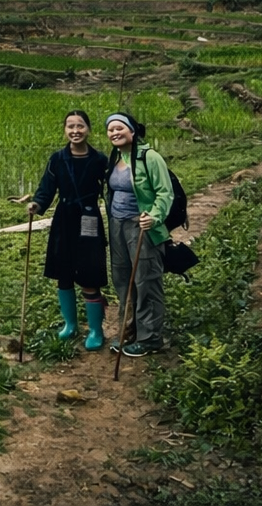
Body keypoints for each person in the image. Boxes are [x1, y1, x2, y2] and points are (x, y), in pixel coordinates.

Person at [27, 109, 111, 350]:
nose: (75, 131)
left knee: (89, 274)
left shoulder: (99, 160)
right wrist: (38, 203)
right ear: (65, 130)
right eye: (70, 126)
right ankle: (70, 324)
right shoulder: (57, 159)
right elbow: (47, 186)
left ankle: (95, 330)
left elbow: (111, 188)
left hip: (89, 218)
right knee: (64, 275)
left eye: (80, 126)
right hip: (63, 218)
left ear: (89, 129)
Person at [104, 112, 174, 357]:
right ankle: (130, 328)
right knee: (123, 278)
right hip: (117, 226)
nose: (114, 133)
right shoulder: (115, 157)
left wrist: (153, 216)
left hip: (141, 226)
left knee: (146, 280)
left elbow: (165, 193)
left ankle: (150, 338)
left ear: (132, 131)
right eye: (110, 129)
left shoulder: (150, 157)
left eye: (119, 128)